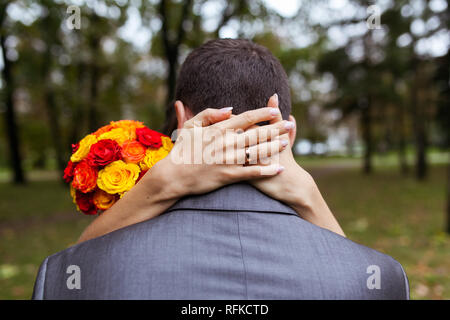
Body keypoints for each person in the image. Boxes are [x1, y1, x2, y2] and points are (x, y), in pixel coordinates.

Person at [32, 39, 409, 299]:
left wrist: (158, 186)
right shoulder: (381, 278)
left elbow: (73, 273)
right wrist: (310, 197)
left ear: (181, 117)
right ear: (288, 133)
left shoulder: (67, 276)